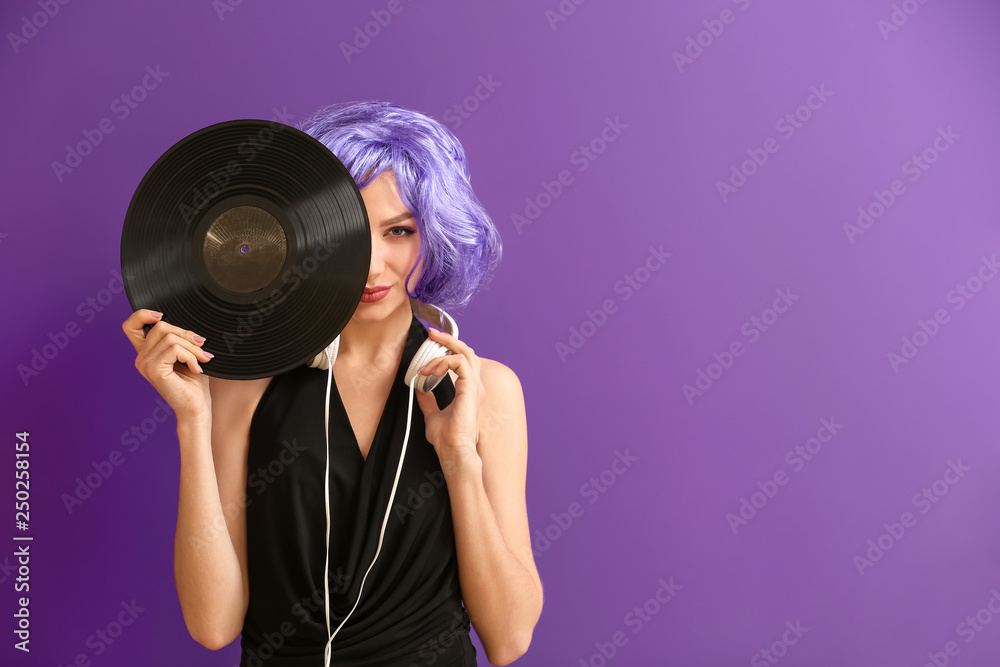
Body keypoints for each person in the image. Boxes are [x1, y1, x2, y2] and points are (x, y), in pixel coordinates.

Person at [121, 101, 543, 666]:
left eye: (399, 231)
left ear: (435, 234)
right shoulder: (243, 386)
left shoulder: (486, 390)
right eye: (346, 232)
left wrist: (458, 457)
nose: (371, 267)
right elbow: (212, 625)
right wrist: (193, 421)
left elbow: (510, 639)